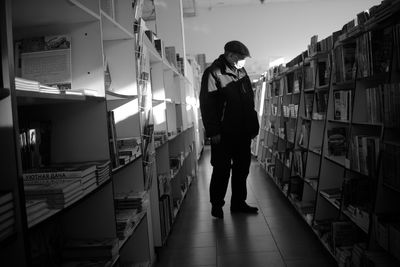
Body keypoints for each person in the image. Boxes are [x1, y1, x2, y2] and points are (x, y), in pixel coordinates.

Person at [200, 40, 260, 219]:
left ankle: (238, 203)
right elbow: (207, 104)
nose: (243, 61)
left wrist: (253, 125)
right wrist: (213, 132)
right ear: (231, 55)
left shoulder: (241, 71)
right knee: (221, 170)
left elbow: (249, 100)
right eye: (241, 58)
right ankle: (217, 205)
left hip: (243, 132)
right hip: (224, 133)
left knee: (242, 170)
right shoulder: (213, 72)